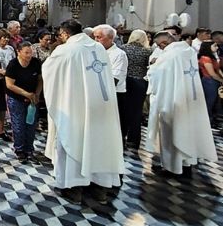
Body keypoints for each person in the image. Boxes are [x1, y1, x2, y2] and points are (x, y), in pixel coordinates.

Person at [42, 20, 124, 204]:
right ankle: (100, 189)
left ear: (64, 33)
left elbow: (48, 70)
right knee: (99, 144)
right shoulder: (99, 49)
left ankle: (74, 188)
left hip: (76, 107)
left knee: (74, 141)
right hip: (102, 108)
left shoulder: (66, 50)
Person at [145, 32, 217, 175]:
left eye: (160, 45)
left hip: (172, 100)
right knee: (187, 132)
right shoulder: (188, 51)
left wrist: (152, 67)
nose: (160, 48)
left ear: (165, 42)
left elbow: (156, 75)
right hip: (190, 99)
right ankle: (187, 164)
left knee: (172, 133)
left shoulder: (170, 55)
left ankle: (173, 167)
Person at [4, 42, 42, 162]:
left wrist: (36, 94)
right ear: (18, 52)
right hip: (16, 98)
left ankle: (29, 149)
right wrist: (26, 94)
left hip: (32, 98)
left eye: (31, 52)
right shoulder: (13, 64)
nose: (29, 55)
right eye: (26, 52)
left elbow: (40, 80)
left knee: (30, 124)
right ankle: (19, 149)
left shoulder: (36, 63)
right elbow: (9, 85)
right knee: (18, 124)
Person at [93, 24, 128, 143]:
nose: (96, 40)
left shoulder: (119, 54)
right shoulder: (95, 52)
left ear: (111, 38)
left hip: (115, 94)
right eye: (95, 37)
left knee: (115, 126)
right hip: (97, 94)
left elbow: (115, 78)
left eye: (99, 37)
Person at [120, 29, 151, 149]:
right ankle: (134, 140)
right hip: (140, 83)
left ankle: (122, 136)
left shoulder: (123, 48)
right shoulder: (147, 51)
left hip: (126, 81)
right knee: (137, 111)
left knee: (124, 110)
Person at [198, 40, 223, 123]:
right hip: (209, 81)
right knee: (210, 101)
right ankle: (208, 119)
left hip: (215, 80)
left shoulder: (212, 57)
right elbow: (212, 73)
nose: (217, 48)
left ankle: (213, 117)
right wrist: (221, 80)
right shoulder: (205, 58)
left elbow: (218, 68)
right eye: (215, 46)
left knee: (215, 101)